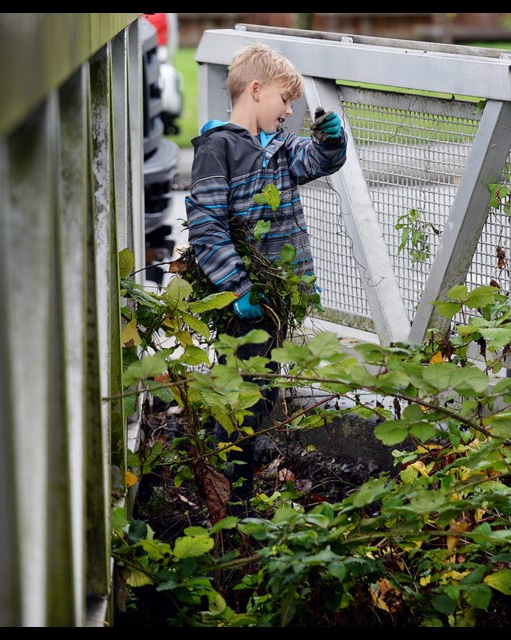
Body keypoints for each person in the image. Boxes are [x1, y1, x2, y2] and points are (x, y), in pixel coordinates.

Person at [185, 42, 348, 506]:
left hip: (274, 299)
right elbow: (206, 224)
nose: (290, 110)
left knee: (263, 390)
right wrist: (236, 287)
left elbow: (321, 161)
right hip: (243, 299)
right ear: (256, 91)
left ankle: (239, 485)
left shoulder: (282, 148)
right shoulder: (218, 149)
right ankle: (232, 494)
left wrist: (331, 139)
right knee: (241, 394)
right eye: (285, 99)